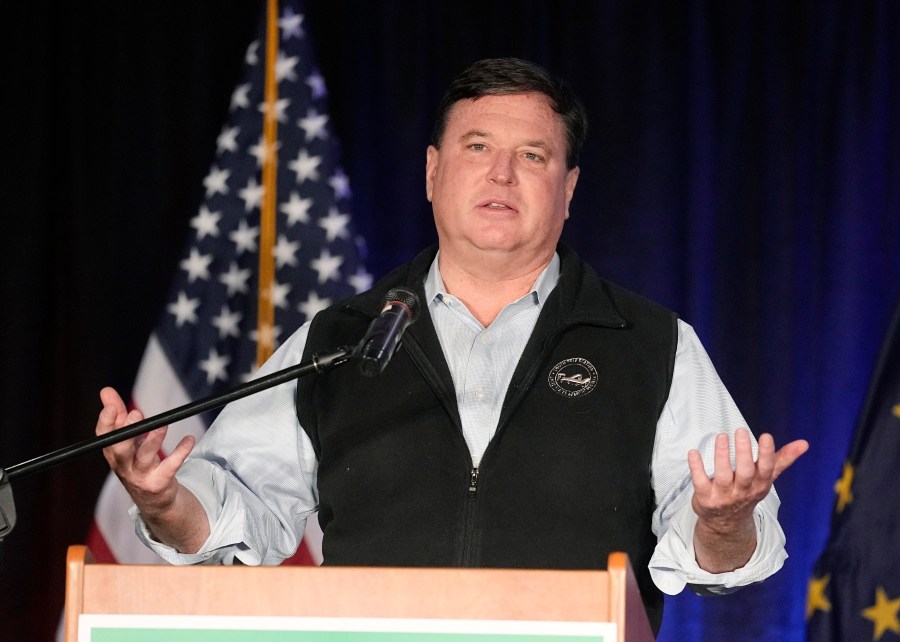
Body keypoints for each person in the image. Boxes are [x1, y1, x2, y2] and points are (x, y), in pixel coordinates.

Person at [97, 57, 808, 632]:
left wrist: (723, 521)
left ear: (568, 190)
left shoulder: (652, 345)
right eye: (478, 148)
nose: (502, 174)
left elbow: (728, 555)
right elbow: (236, 511)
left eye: (533, 155)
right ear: (434, 172)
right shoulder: (339, 339)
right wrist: (163, 503)